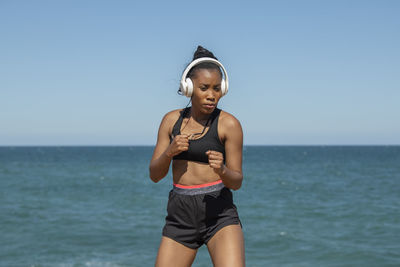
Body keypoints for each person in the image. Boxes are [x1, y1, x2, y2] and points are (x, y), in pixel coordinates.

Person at [149, 45, 245, 267]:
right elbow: (154, 174)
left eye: (217, 88)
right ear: (189, 88)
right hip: (180, 215)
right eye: (204, 88)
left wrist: (222, 170)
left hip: (219, 213)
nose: (212, 95)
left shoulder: (229, 125)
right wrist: (169, 152)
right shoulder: (170, 121)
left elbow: (237, 181)